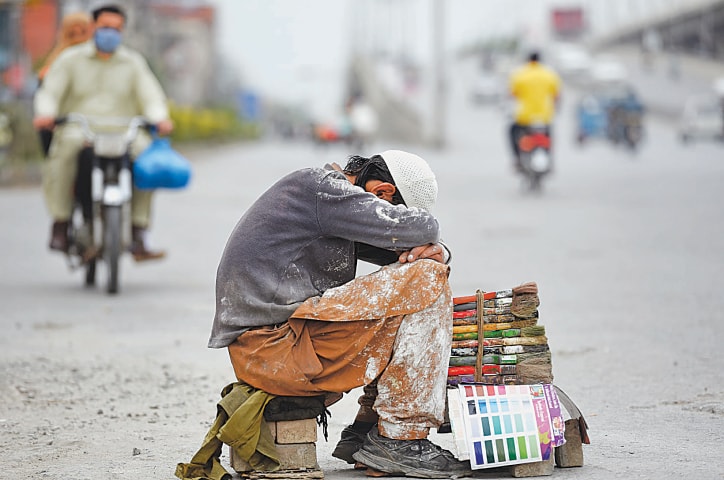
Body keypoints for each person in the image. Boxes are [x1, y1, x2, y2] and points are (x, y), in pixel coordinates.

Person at [206, 150, 469, 478]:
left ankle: (365, 430)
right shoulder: (322, 189)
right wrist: (431, 247)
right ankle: (401, 438)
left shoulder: (328, 202)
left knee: (419, 278)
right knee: (428, 278)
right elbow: (421, 228)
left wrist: (434, 250)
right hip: (276, 349)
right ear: (383, 194)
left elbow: (407, 251)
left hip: (273, 348)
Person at [33, 4, 173, 261]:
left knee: (146, 157)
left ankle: (139, 229)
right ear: (94, 27)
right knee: (62, 153)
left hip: (124, 131)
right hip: (80, 130)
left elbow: (151, 95)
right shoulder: (70, 60)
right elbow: (50, 92)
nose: (110, 33)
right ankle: (61, 222)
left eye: (116, 29)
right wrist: (46, 113)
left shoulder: (133, 63)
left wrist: (160, 118)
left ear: (123, 31)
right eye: (105, 27)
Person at [36, 11, 93, 157]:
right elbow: (47, 96)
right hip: (65, 127)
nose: (78, 39)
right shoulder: (53, 67)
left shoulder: (100, 64)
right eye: (72, 34)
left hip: (97, 127)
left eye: (83, 32)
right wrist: (48, 116)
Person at [508, 51, 561, 171]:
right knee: (549, 138)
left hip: (525, 116)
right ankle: (549, 159)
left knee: (512, 132)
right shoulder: (548, 74)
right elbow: (556, 96)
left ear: (528, 60)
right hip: (544, 116)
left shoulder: (521, 74)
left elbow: (513, 94)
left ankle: (517, 158)